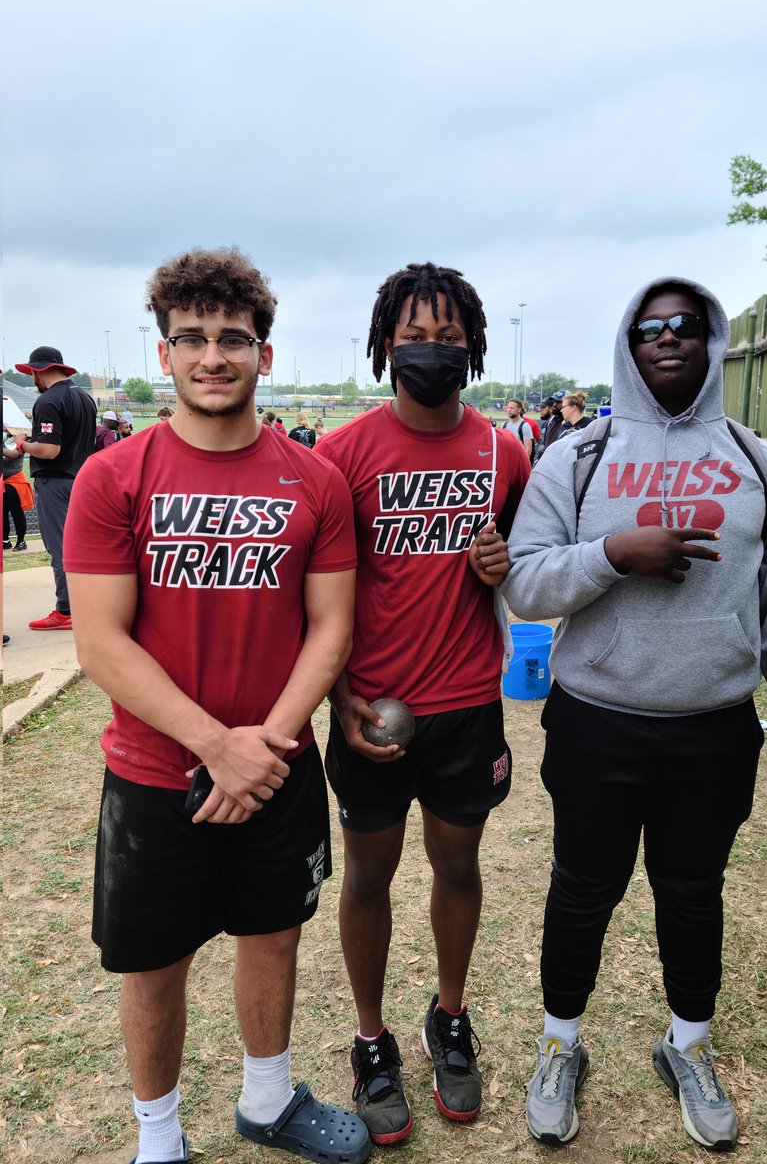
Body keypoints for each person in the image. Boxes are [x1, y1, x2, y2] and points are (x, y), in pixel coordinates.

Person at [502, 277, 767, 1150]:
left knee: (692, 893)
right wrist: (611, 554)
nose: (668, 338)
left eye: (686, 325)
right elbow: (524, 583)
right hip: (596, 719)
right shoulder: (578, 457)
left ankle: (688, 1045)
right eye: (649, 328)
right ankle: (559, 1044)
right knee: (582, 890)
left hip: (713, 726)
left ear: (711, 339)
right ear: (628, 344)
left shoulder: (757, 462)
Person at [63, 246, 369, 1164]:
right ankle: (158, 1142)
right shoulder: (113, 477)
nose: (212, 356)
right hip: (155, 775)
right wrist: (214, 747)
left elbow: (331, 628)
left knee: (273, 937)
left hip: (277, 766)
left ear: (263, 354)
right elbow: (101, 642)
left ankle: (268, 1101)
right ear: (163, 354)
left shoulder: (315, 480)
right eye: (190, 337)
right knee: (155, 966)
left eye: (232, 338)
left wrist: (261, 748)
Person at [316, 262, 531, 1145]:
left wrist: (504, 566)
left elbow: (533, 562)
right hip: (373, 710)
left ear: (472, 346)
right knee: (367, 876)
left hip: (468, 705)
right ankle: (371, 1041)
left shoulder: (505, 454)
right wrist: (339, 699)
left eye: (447, 337)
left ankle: (450, 1016)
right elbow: (314, 594)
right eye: (414, 336)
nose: (430, 350)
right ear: (385, 344)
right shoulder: (341, 455)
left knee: (458, 868)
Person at [14, 346, 96, 630]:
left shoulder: (48, 400)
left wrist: (23, 444)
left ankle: (66, 611)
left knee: (61, 548)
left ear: (38, 371)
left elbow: (49, 450)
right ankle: (88, 605)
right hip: (83, 480)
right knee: (84, 547)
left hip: (56, 482)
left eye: (32, 373)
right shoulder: (84, 397)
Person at [3, 427, 34, 550]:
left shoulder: (20, 438)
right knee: (2, 513)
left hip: (14, 481)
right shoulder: (6, 437)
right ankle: (5, 540)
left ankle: (21, 541)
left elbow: (13, 454)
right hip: (2, 481)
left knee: (17, 513)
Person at [534, 390, 567, 462]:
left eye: (558, 402)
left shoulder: (570, 423)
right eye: (554, 402)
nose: (554, 405)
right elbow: (543, 444)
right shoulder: (550, 422)